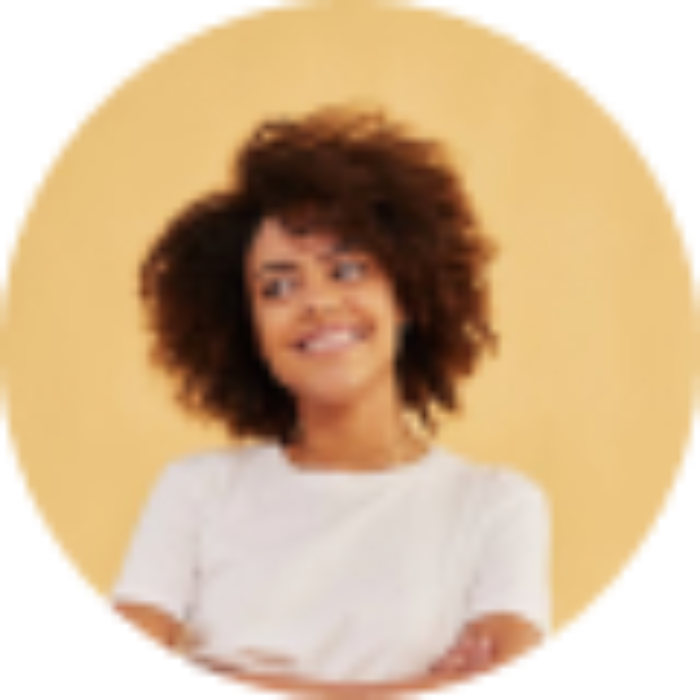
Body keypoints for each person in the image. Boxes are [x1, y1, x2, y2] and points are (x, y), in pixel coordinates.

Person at [101, 104, 552, 687]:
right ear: (248, 329)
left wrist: (240, 682)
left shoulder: (495, 506)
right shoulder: (197, 490)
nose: (316, 301)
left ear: (406, 297)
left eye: (346, 270)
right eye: (278, 286)